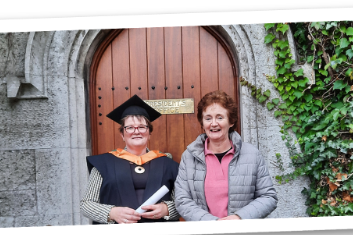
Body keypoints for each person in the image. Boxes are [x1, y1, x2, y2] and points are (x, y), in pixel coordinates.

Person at [175, 90, 278, 221]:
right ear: (202, 123)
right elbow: (182, 200)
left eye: (220, 117)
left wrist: (239, 218)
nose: (213, 123)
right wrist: (213, 223)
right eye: (208, 118)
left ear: (231, 121)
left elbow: (268, 197)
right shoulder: (189, 157)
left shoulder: (252, 154)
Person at [81, 95, 180, 224]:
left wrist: (167, 209)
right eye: (130, 127)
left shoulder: (168, 164)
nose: (136, 131)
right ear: (122, 134)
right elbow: (86, 204)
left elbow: (184, 202)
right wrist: (112, 213)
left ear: (149, 133)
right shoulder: (103, 164)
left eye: (142, 127)